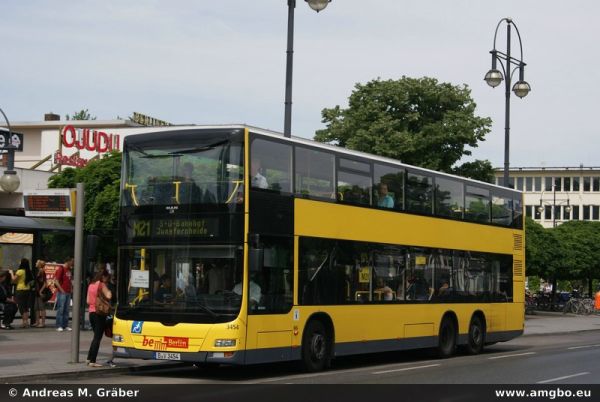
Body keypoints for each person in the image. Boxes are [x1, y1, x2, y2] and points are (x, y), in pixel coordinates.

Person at [86, 269, 112, 367]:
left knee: (95, 337)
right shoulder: (102, 285)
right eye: (107, 278)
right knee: (98, 338)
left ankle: (89, 358)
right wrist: (108, 290)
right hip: (99, 313)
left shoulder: (91, 285)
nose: (107, 280)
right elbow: (109, 296)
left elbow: (88, 301)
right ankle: (93, 361)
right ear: (103, 277)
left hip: (91, 313)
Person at [13, 258, 34, 328]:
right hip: (27, 290)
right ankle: (26, 322)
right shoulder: (28, 271)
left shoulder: (20, 271)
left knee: (21, 307)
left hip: (20, 290)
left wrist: (10, 273)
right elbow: (31, 282)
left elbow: (13, 279)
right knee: (26, 307)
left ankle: (24, 322)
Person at [54, 257, 74, 332]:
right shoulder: (61, 269)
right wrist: (62, 290)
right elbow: (56, 281)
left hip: (68, 292)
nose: (72, 264)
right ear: (67, 261)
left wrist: (71, 288)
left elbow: (70, 280)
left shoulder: (69, 270)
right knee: (61, 309)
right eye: (71, 262)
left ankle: (65, 325)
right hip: (62, 292)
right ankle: (59, 325)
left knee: (66, 309)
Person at [33, 260, 48, 328]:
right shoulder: (39, 271)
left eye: (37, 262)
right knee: (37, 308)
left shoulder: (42, 271)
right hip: (37, 292)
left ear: (39, 264)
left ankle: (43, 323)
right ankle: (37, 322)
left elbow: (45, 283)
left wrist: (40, 291)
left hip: (41, 292)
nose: (35, 263)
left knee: (42, 308)